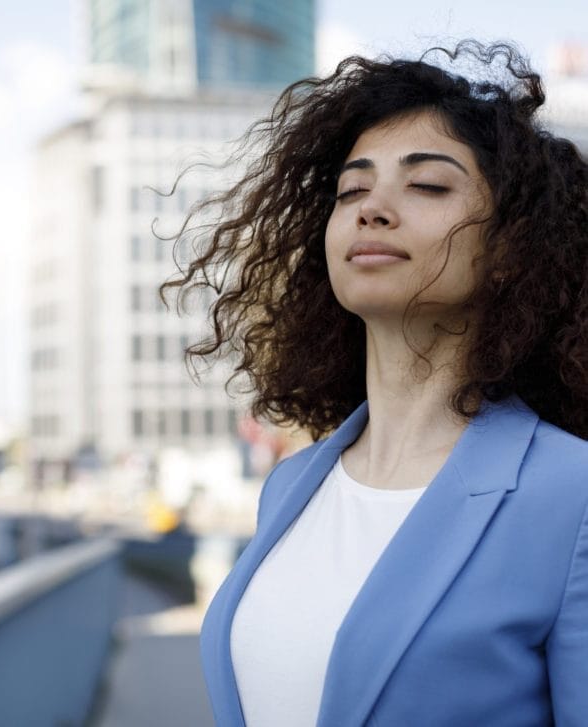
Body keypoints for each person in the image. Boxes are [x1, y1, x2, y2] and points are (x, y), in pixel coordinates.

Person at [161, 41, 588, 726]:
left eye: (426, 185)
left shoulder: (572, 496)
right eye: (350, 190)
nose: (373, 207)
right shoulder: (290, 486)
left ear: (510, 246)